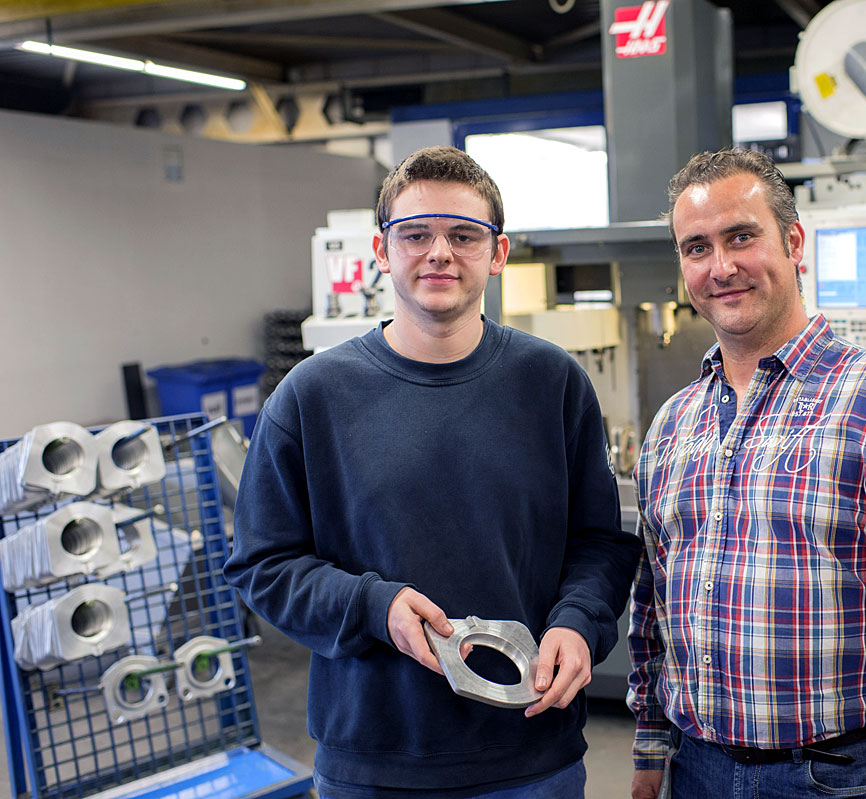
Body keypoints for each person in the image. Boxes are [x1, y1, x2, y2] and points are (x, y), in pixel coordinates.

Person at [225, 145, 640, 799]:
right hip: (375, 762)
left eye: (464, 235)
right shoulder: (311, 397)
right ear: (382, 251)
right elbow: (261, 565)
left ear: (498, 253)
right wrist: (374, 605)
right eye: (415, 234)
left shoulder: (553, 382)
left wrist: (578, 620)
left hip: (533, 754)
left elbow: (600, 543)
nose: (439, 253)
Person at [627, 148, 866, 799]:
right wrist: (650, 746)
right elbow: (653, 611)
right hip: (697, 771)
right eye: (696, 247)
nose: (720, 267)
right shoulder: (673, 423)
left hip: (840, 778)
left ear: (795, 242)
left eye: (741, 237)